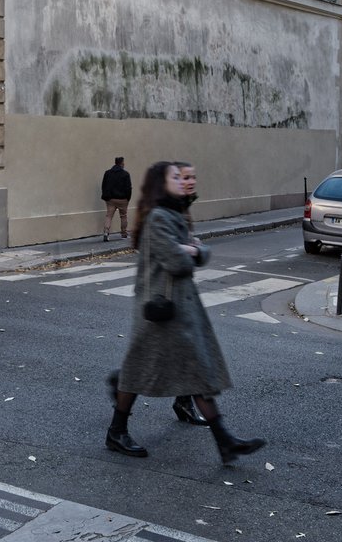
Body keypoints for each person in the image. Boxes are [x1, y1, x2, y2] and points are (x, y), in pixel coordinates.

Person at [105, 160, 265, 465]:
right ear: (160, 183)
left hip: (179, 310)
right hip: (159, 312)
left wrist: (192, 249)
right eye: (175, 177)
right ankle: (116, 431)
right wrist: (190, 250)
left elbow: (198, 251)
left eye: (184, 176)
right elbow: (178, 261)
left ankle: (225, 441)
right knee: (138, 373)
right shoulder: (158, 218)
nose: (182, 181)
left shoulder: (173, 213)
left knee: (196, 373)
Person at [170, 160, 208, 426]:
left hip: (181, 293)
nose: (191, 181)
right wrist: (192, 250)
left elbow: (191, 247)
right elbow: (168, 251)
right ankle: (122, 384)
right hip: (169, 294)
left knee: (182, 354)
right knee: (189, 355)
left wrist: (195, 248)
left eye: (193, 176)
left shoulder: (184, 205)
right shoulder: (168, 209)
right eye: (185, 177)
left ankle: (184, 402)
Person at [100, 157, 132, 240]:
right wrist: (128, 198)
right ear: (121, 163)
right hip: (123, 199)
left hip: (110, 199)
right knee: (123, 216)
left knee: (109, 216)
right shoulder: (125, 174)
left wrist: (106, 197)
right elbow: (128, 188)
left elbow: (103, 185)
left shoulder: (107, 173)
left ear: (115, 163)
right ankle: (124, 234)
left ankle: (106, 232)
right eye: (123, 163)